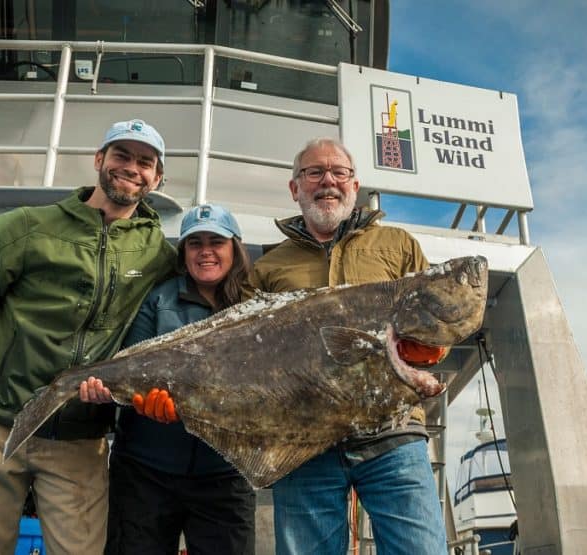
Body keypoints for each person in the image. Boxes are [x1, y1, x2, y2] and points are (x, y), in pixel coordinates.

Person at [0, 119, 177, 555]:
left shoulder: (158, 255)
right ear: (98, 160)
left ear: (157, 178)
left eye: (145, 162)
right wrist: (0, 371)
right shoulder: (25, 226)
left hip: (78, 437)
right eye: (121, 155)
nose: (132, 168)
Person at [244, 137, 448, 554]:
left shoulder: (398, 245)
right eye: (314, 172)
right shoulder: (268, 267)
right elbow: (251, 357)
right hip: (304, 442)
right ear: (294, 187)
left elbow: (435, 321)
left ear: (355, 186)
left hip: (392, 433)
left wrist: (428, 350)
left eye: (339, 172)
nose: (328, 182)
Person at [97, 204, 256, 555]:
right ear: (183, 253)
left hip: (225, 474)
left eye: (216, 241)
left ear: (236, 248)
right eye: (195, 243)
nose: (206, 251)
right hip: (146, 472)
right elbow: (130, 365)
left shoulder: (255, 303)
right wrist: (144, 399)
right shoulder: (157, 299)